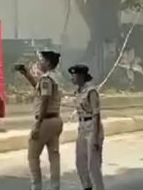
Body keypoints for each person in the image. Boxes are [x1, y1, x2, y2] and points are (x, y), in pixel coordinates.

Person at [16, 51, 64, 190]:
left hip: (45, 121)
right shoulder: (55, 78)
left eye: (42, 60)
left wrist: (37, 125)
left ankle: (36, 186)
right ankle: (55, 186)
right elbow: (39, 87)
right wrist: (26, 73)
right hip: (56, 120)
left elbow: (44, 100)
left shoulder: (46, 80)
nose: (39, 63)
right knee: (54, 156)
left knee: (33, 156)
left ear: (48, 63)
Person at [69, 64, 105, 190]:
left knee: (93, 165)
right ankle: (87, 187)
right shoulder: (77, 92)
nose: (72, 78)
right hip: (82, 127)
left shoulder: (91, 91)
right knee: (80, 162)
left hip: (92, 127)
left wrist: (95, 137)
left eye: (75, 75)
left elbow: (96, 114)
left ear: (82, 76)